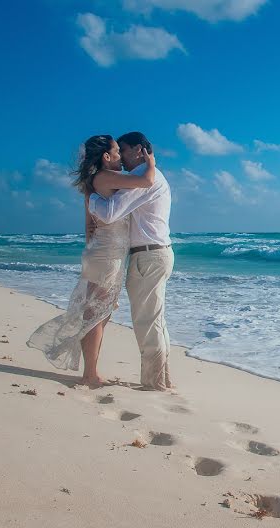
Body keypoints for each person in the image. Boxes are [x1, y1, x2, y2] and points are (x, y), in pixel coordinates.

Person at [27, 134, 156, 387]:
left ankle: (91, 371)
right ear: (106, 157)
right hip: (108, 257)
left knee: (96, 312)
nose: (120, 156)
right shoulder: (105, 177)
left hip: (102, 254)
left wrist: (96, 251)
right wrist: (150, 161)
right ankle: (91, 375)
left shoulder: (94, 182)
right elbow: (146, 181)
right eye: (117, 151)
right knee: (97, 315)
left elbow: (89, 227)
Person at [88, 132, 174, 391]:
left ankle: (154, 383)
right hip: (154, 253)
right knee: (155, 320)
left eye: (123, 151)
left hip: (148, 255)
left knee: (147, 322)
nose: (121, 158)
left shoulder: (144, 179)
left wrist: (90, 198)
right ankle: (161, 379)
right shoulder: (149, 177)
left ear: (138, 150)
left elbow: (111, 212)